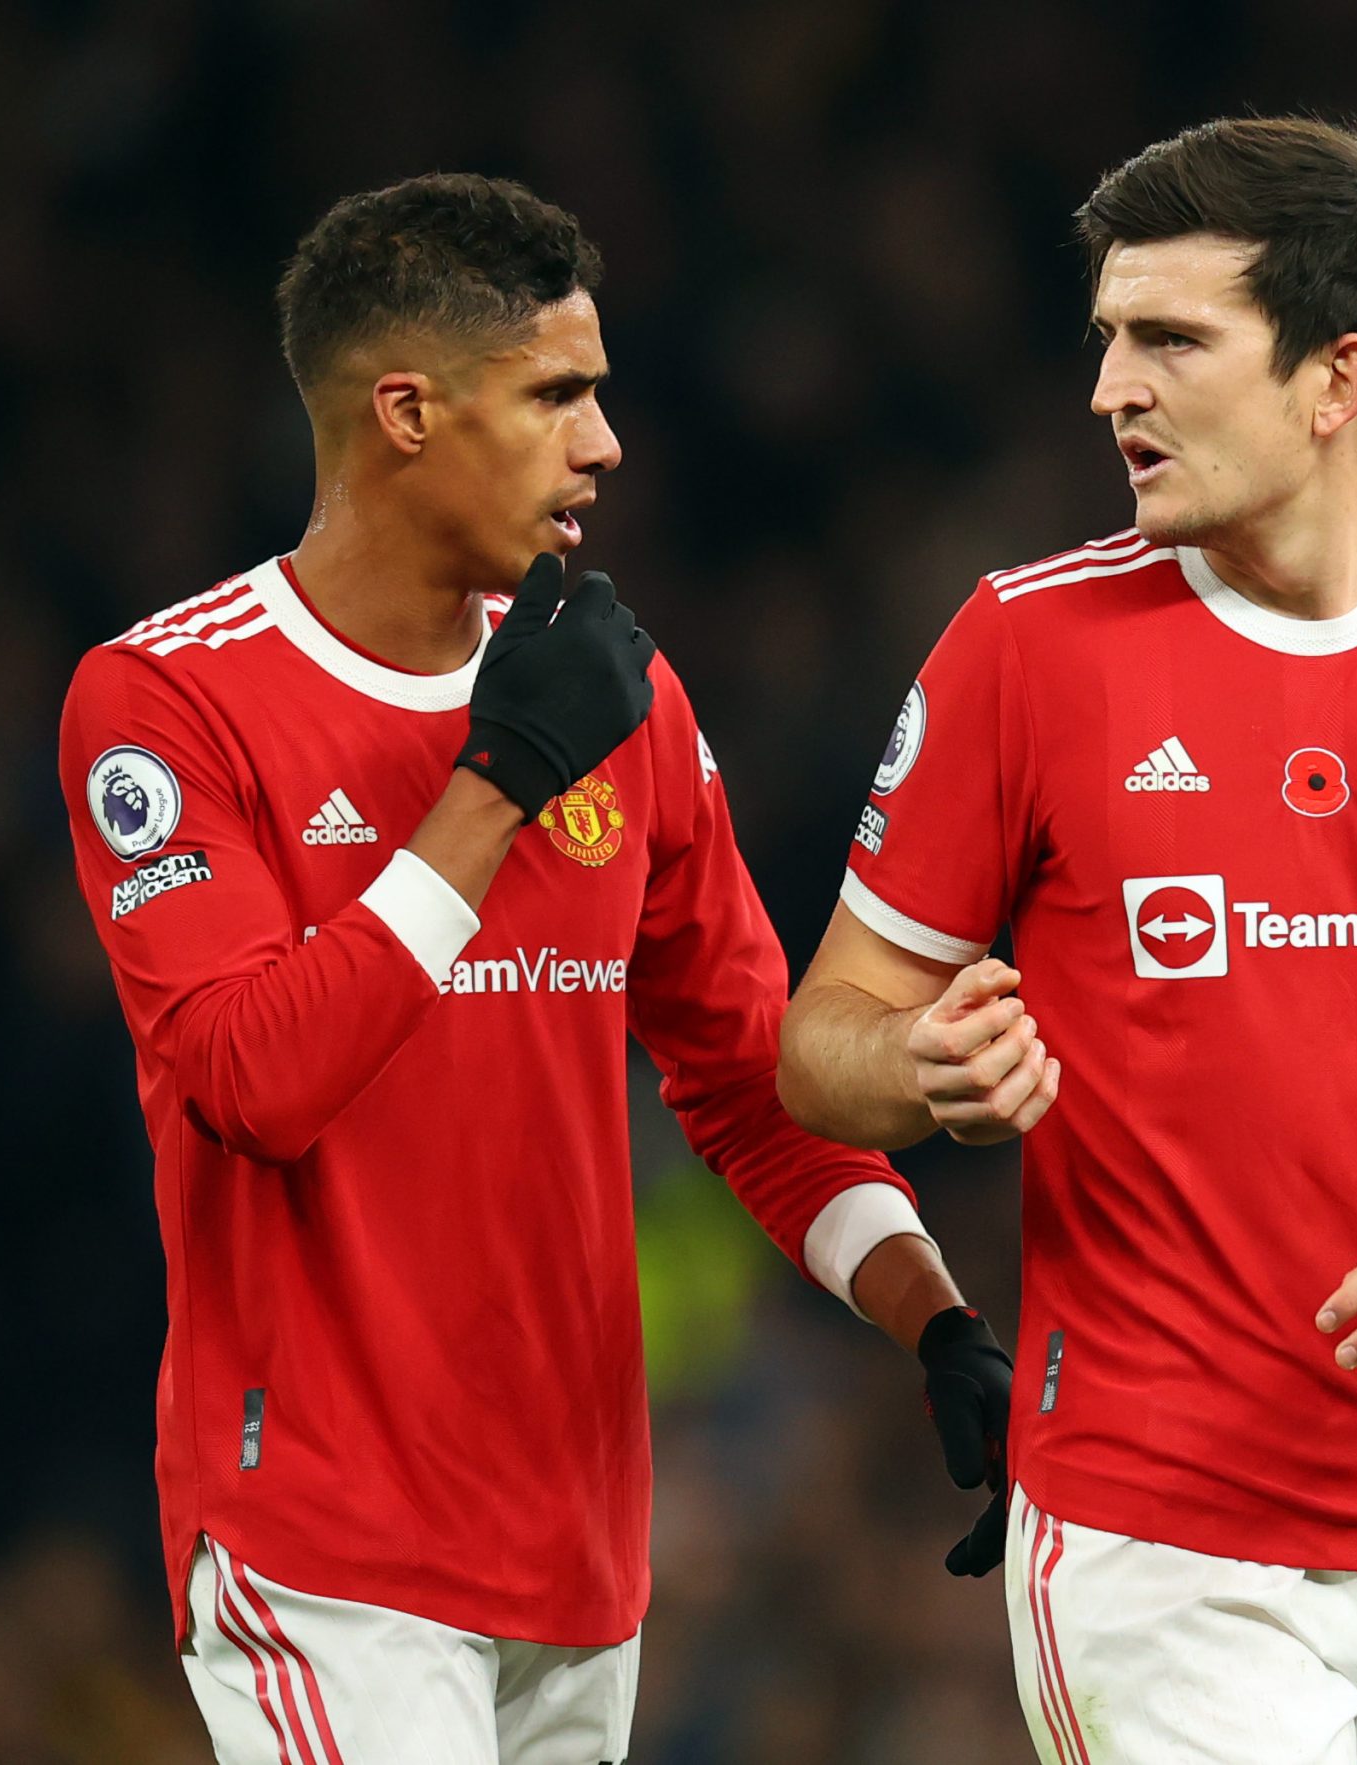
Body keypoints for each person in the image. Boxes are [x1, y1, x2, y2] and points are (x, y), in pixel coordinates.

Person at [778, 117, 1357, 1764]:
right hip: (1162, 1535)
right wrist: (920, 1065)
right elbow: (822, 1040)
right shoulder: (1026, 648)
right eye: (1106, 340)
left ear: (1335, 379)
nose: (1109, 390)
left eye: (1169, 340)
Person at [59, 173, 1004, 1764]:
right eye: (559, 395)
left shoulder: (617, 701)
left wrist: (935, 1319)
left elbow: (748, 1078)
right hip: (330, 1547)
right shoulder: (170, 701)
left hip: (577, 1550)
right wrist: (497, 784)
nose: (605, 443)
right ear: (409, 411)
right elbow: (251, 1080)